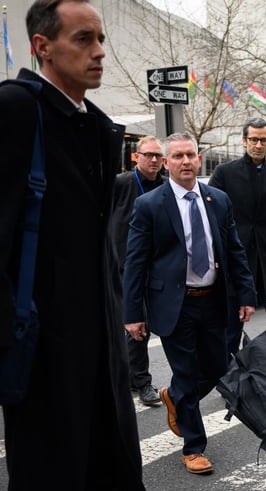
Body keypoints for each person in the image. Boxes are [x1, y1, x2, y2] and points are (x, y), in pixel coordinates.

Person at [0, 1, 151, 491]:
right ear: (42, 47)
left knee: (92, 455)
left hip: (91, 328)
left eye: (101, 38)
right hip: (37, 330)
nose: (100, 51)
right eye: (84, 39)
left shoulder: (92, 123)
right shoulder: (15, 108)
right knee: (45, 469)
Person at [123, 132, 257, 475]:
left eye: (190, 155)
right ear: (166, 163)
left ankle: (175, 397)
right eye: (177, 156)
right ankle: (194, 447)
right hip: (174, 305)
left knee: (215, 368)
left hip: (214, 301)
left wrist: (245, 295)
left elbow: (234, 251)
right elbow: (135, 263)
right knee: (185, 369)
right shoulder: (150, 205)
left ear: (199, 159)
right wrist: (133, 314)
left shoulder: (219, 200)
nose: (185, 161)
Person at [209, 118, 266, 355]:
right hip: (236, 258)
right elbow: (211, 217)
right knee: (232, 323)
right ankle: (226, 374)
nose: (258, 144)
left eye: (263, 140)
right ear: (244, 141)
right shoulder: (224, 173)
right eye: (253, 139)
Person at [111, 135, 164, 406]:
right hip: (123, 267)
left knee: (144, 326)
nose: (153, 160)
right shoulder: (121, 184)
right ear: (136, 156)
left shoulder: (166, 187)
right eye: (148, 155)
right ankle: (141, 381)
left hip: (156, 269)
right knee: (136, 325)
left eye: (158, 156)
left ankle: (133, 378)